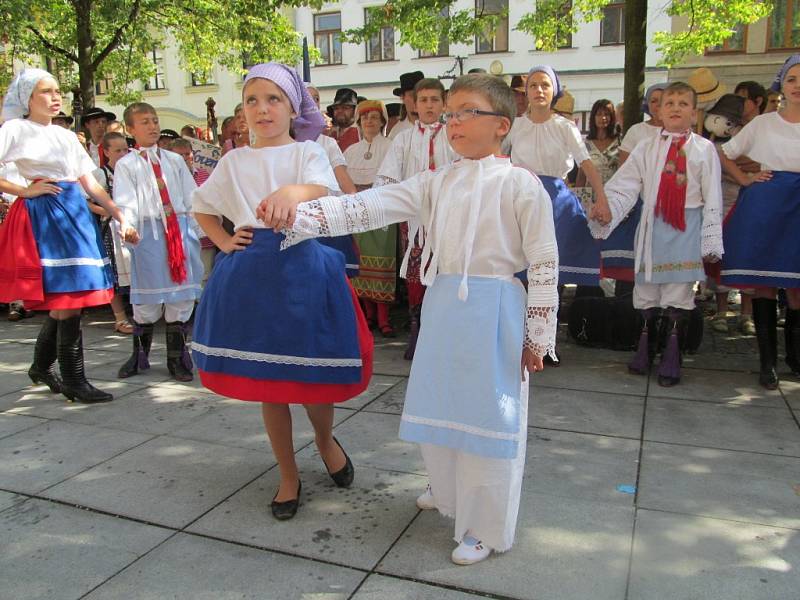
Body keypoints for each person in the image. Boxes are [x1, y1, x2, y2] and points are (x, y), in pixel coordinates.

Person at [265, 72, 558, 564]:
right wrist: (300, 214)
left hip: (495, 308)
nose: (453, 121)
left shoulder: (521, 185)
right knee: (442, 404)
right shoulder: (436, 180)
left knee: (490, 415)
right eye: (450, 113)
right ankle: (446, 492)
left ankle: (483, 526)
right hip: (444, 303)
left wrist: (537, 335)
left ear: (501, 125)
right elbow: (370, 206)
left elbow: (545, 264)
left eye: (467, 112)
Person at [191, 62, 372, 520]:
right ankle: (287, 473)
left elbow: (322, 187)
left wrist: (292, 192)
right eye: (252, 100)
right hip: (254, 275)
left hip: (303, 272)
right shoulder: (234, 160)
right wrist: (227, 238)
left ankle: (326, 440)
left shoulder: (306, 153)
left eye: (273, 99)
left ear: (293, 108)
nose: (262, 109)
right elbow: (201, 206)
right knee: (270, 382)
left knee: (313, 376)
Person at [0, 69, 139, 403]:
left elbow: (87, 181)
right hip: (46, 214)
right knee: (68, 301)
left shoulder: (64, 135)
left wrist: (117, 211)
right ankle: (74, 380)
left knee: (69, 300)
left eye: (57, 90)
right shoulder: (15, 129)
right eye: (46, 91)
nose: (55, 96)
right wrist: (24, 191)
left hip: (74, 211)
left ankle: (41, 367)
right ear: (27, 98)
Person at [592, 82, 724, 387]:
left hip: (686, 226)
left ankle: (672, 353)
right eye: (669, 103)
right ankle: (645, 347)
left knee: (678, 292)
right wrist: (606, 206)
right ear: (658, 111)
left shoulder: (704, 150)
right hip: (652, 226)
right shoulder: (647, 146)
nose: (675, 108)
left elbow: (713, 195)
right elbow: (626, 183)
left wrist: (710, 237)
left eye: (682, 103)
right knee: (648, 290)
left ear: (694, 111)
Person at [718, 55, 800, 389]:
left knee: (797, 289)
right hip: (767, 204)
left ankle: (796, 358)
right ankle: (768, 364)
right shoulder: (764, 124)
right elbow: (724, 153)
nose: (799, 86)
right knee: (765, 281)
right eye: (793, 79)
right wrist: (746, 179)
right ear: (782, 84)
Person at [503, 65, 611, 312]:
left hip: (555, 203)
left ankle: (545, 341)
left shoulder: (565, 126)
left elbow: (586, 163)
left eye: (545, 85)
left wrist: (601, 199)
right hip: (521, 198)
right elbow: (497, 159)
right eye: (533, 85)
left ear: (555, 91)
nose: (539, 90)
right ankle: (520, 338)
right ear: (526, 92)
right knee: (520, 272)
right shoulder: (516, 126)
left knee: (551, 275)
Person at [113, 102, 203, 383]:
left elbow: (192, 196)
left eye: (154, 120)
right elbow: (124, 199)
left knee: (181, 296)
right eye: (144, 122)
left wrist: (197, 227)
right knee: (147, 300)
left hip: (178, 231)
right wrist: (126, 224)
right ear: (130, 129)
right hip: (148, 234)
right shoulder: (127, 164)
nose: (152, 126)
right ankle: (139, 356)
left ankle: (176, 358)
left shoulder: (175, 161)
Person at [376, 77, 459, 359]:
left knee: (447, 270)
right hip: (415, 221)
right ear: (414, 103)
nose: (429, 105)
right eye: (423, 100)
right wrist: (381, 204)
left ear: (444, 103)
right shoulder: (404, 139)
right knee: (415, 274)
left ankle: (445, 331)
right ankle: (418, 330)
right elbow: (388, 176)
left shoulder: (454, 134)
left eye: (435, 100)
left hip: (449, 216)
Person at [344, 100, 397, 336]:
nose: (369, 121)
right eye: (365, 117)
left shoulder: (391, 146)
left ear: (382, 121)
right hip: (357, 211)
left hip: (382, 210)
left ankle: (384, 317)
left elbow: (394, 177)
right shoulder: (351, 151)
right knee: (361, 262)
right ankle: (368, 314)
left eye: (374, 117)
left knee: (382, 260)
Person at [89, 131, 134, 334]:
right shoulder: (101, 174)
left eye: (125, 149)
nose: (124, 153)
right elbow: (88, 202)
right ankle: (120, 318)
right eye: (118, 150)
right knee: (114, 275)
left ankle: (141, 314)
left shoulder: (134, 170)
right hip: (110, 229)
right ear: (106, 152)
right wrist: (110, 212)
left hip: (133, 225)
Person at [168, 137, 216, 286]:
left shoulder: (203, 174)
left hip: (205, 236)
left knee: (205, 275)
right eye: (179, 155)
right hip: (178, 236)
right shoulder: (165, 179)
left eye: (187, 154)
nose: (184, 158)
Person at [618, 83, 667, 166]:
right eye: (654, 101)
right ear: (648, 105)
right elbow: (624, 166)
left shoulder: (678, 131)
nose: (658, 104)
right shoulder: (636, 131)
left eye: (662, 100)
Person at [388, 71, 424, 140]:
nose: (417, 99)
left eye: (420, 95)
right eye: (412, 95)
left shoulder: (435, 127)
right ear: (402, 97)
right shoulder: (397, 133)